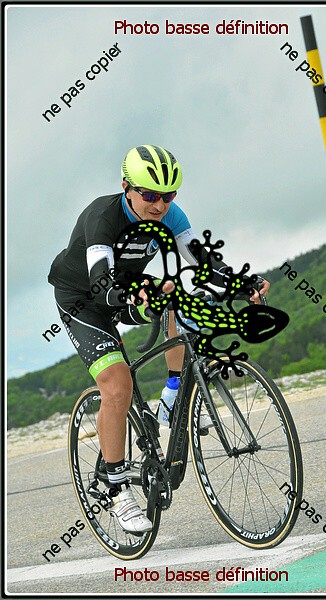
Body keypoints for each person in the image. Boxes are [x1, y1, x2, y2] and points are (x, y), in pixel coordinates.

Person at [48, 144, 270, 534]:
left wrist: (243, 283)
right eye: (150, 195)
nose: (159, 205)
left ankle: (172, 393)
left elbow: (203, 261)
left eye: (168, 196)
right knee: (117, 385)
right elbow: (102, 283)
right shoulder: (101, 217)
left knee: (178, 299)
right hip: (84, 300)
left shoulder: (172, 215)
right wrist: (132, 293)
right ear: (127, 188)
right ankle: (116, 489)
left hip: (131, 289)